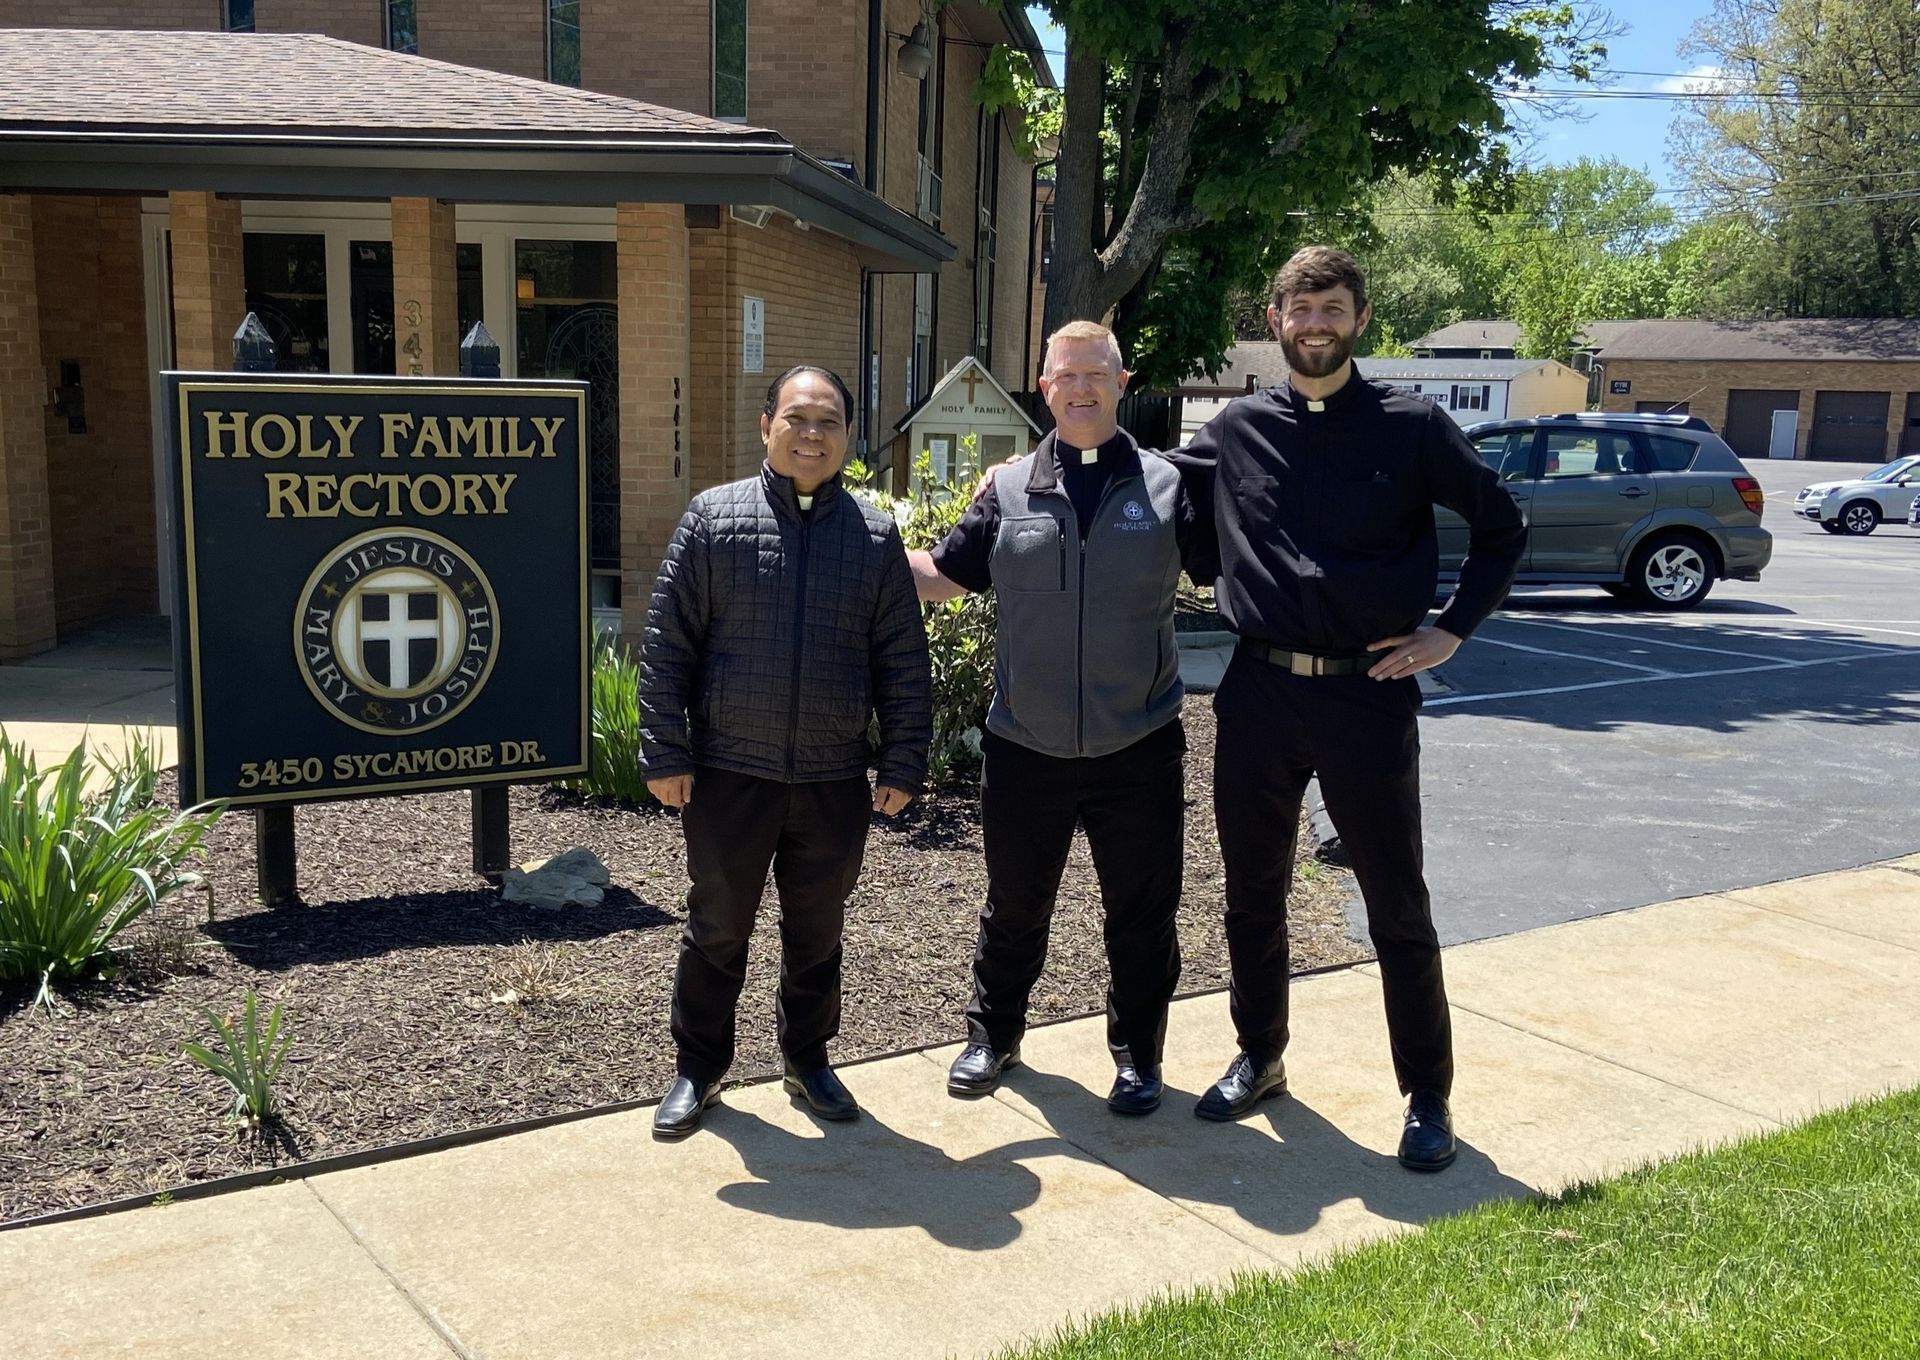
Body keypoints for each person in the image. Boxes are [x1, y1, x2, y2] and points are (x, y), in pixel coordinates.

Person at [1170, 247, 1526, 1170]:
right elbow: (1161, 486)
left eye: (1332, 308)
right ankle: (1260, 1054)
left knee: (1396, 902)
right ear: (1275, 319)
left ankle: (1428, 1095)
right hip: (1258, 691)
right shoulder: (1237, 428)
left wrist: (1452, 631)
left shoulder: (1414, 428)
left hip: (1369, 695)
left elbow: (1502, 526)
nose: (1315, 324)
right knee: (1252, 892)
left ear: (1361, 318)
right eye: (1300, 308)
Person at [907, 321, 1215, 1115]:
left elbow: (1231, 569)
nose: (1081, 389)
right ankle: (993, 1037)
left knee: (1141, 913)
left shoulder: (1167, 486)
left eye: (1095, 374)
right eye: (1066, 376)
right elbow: (942, 575)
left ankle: (1138, 1057)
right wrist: (852, 542)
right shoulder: (1008, 490)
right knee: (1014, 904)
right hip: (1026, 745)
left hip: (1138, 745)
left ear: (1122, 383)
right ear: (1043, 388)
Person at [639, 364, 932, 1139]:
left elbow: (901, 657)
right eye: (797, 418)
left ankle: (808, 1060)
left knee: (817, 934)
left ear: (848, 437)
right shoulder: (713, 520)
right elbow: (667, 645)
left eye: (828, 421)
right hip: (731, 771)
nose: (812, 434)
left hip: (833, 779)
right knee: (717, 929)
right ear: (766, 424)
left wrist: (905, 757)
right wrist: (665, 749)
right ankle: (698, 1069)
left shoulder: (873, 537)